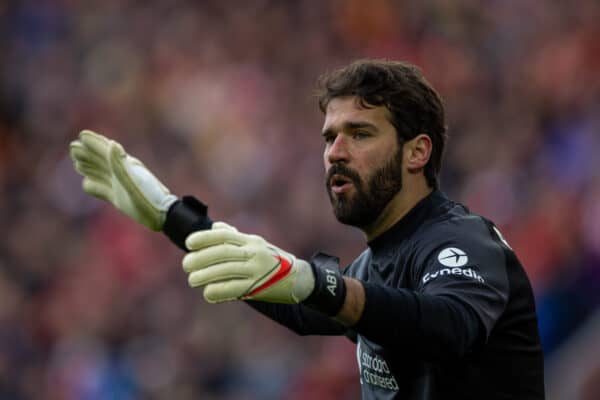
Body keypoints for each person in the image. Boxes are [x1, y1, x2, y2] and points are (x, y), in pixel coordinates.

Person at [69, 59, 545, 399]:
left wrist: (320, 284)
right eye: (329, 137)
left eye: (359, 133)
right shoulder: (379, 260)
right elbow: (302, 305)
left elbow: (449, 326)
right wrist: (173, 216)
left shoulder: (462, 240)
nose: (335, 151)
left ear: (416, 152)